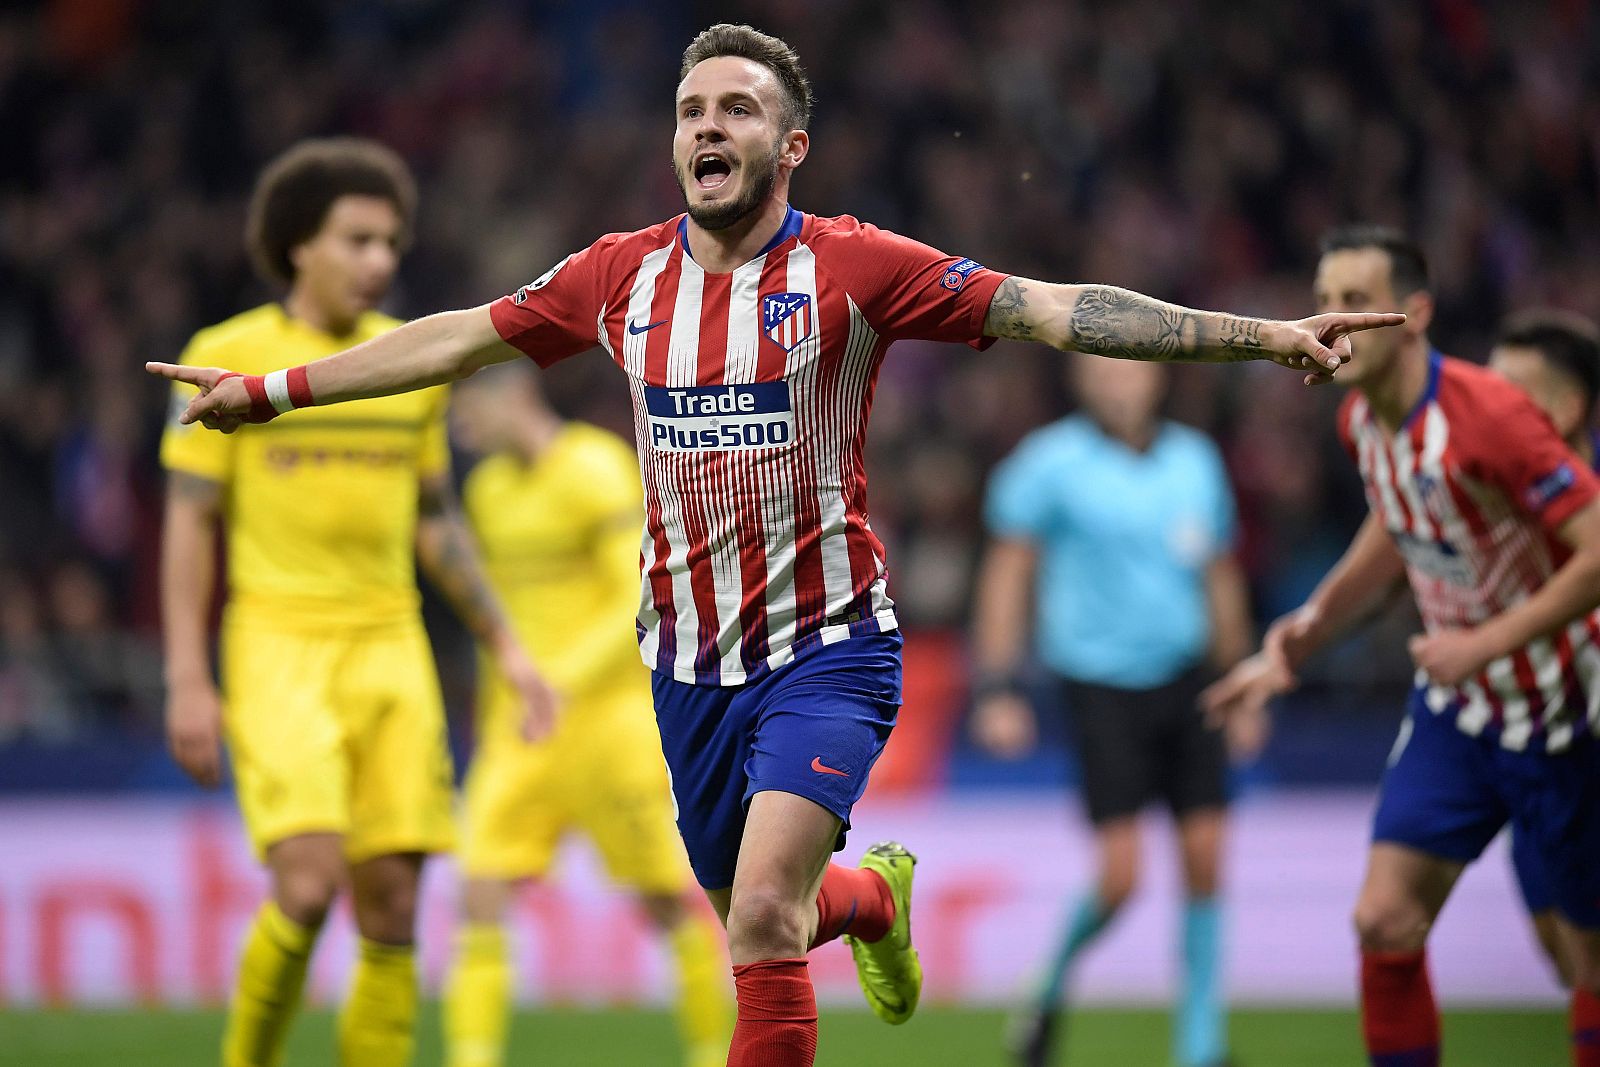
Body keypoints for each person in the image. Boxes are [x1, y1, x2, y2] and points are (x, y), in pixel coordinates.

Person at [147, 26, 1397, 1067]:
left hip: (829, 647)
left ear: (786, 146)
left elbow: (1057, 310)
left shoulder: (857, 266)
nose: (706, 126)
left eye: (737, 110)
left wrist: (1261, 335)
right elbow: (452, 338)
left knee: (754, 918)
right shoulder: (617, 276)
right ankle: (875, 901)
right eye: (690, 108)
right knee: (778, 915)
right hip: (687, 665)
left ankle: (831, 907)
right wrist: (271, 392)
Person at [158, 138, 554, 1067]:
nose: (380, 260)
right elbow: (190, 525)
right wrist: (186, 676)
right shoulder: (228, 356)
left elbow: (436, 520)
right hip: (277, 642)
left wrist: (509, 646)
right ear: (300, 245)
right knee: (306, 883)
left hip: (391, 648)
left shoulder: (401, 366)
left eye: (390, 243)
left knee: (393, 904)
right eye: (358, 239)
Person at [1204, 226, 1600, 1067]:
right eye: (1325, 298)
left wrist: (1481, 642)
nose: (1334, 319)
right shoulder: (1361, 423)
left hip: (1562, 710)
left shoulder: (1490, 415)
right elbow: (1395, 531)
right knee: (1382, 917)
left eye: (1356, 300)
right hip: (1458, 714)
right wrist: (1299, 640)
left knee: (1583, 962)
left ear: (1412, 314)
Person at [440, 362, 731, 1067]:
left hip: (608, 723)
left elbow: (641, 596)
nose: (461, 429)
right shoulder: (486, 489)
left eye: (471, 410)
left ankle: (713, 1052)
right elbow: (501, 616)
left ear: (515, 397)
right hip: (521, 729)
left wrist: (561, 677)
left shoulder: (596, 470)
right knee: (479, 893)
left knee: (667, 900)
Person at [972, 354, 1252, 1067]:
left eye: (1128, 371)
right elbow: (1009, 570)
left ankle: (1201, 1046)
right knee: (1121, 874)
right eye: (1100, 372)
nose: (1115, 384)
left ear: (1157, 378)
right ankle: (1047, 987)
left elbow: (1218, 572)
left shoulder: (1195, 460)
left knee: (1205, 856)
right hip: (1099, 683)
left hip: (1189, 678)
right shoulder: (1048, 463)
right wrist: (997, 685)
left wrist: (1243, 677)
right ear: (1079, 382)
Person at [1485, 309, 1600, 990]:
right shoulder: (1493, 494)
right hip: (1534, 741)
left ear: (1566, 407)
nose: (1488, 411)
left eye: (1509, 395)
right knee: (1562, 950)